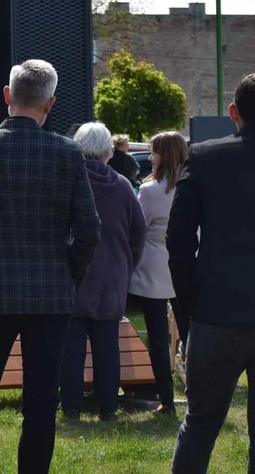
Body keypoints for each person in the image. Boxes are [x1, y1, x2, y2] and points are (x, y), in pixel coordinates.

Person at [0, 59, 100, 474]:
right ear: (50, 104)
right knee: (42, 402)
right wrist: (69, 277)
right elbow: (88, 232)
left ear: (7, 96)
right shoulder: (67, 154)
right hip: (50, 294)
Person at [168, 73, 255, 473]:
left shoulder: (204, 157)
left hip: (216, 310)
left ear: (233, 112)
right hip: (217, 310)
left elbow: (179, 241)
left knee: (200, 425)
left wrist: (188, 310)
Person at [60, 122, 146, 422]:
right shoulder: (123, 186)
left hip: (73, 275)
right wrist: (126, 266)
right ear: (108, 150)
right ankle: (108, 407)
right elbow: (139, 233)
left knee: (71, 348)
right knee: (108, 347)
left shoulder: (67, 180)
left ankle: (70, 407)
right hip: (111, 276)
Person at [130, 129, 188, 417]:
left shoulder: (151, 190)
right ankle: (198, 394)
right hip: (187, 269)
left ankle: (166, 399)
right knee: (191, 336)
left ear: (163, 154)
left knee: (157, 338)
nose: (150, 157)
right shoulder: (193, 184)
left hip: (152, 271)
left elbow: (138, 229)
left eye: (153, 151)